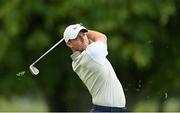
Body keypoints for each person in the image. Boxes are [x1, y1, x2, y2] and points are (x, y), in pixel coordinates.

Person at [63, 23, 127, 112]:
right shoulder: (92, 53)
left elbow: (87, 47)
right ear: (69, 43)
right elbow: (102, 37)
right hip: (107, 110)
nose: (83, 38)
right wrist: (87, 32)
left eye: (84, 35)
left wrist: (78, 32)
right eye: (77, 37)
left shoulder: (76, 62)